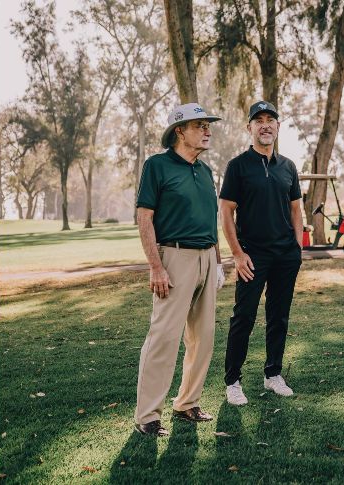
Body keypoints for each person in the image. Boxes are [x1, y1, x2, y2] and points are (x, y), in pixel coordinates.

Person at [133, 102, 227, 436]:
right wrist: (155, 266)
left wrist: (218, 262)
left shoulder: (205, 171)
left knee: (203, 339)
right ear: (179, 131)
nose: (207, 131)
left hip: (206, 258)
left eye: (208, 125)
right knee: (164, 337)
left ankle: (187, 403)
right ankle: (147, 416)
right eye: (200, 125)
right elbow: (145, 218)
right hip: (173, 258)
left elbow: (211, 220)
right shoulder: (157, 166)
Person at [219, 101, 304, 405]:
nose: (265, 125)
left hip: (285, 256)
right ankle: (233, 381)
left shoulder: (288, 167)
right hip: (252, 256)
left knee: (278, 317)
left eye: (270, 120)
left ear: (278, 127)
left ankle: (273, 374)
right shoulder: (238, 166)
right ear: (250, 128)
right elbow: (226, 211)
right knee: (243, 317)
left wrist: (297, 248)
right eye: (259, 120)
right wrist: (237, 254)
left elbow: (296, 210)